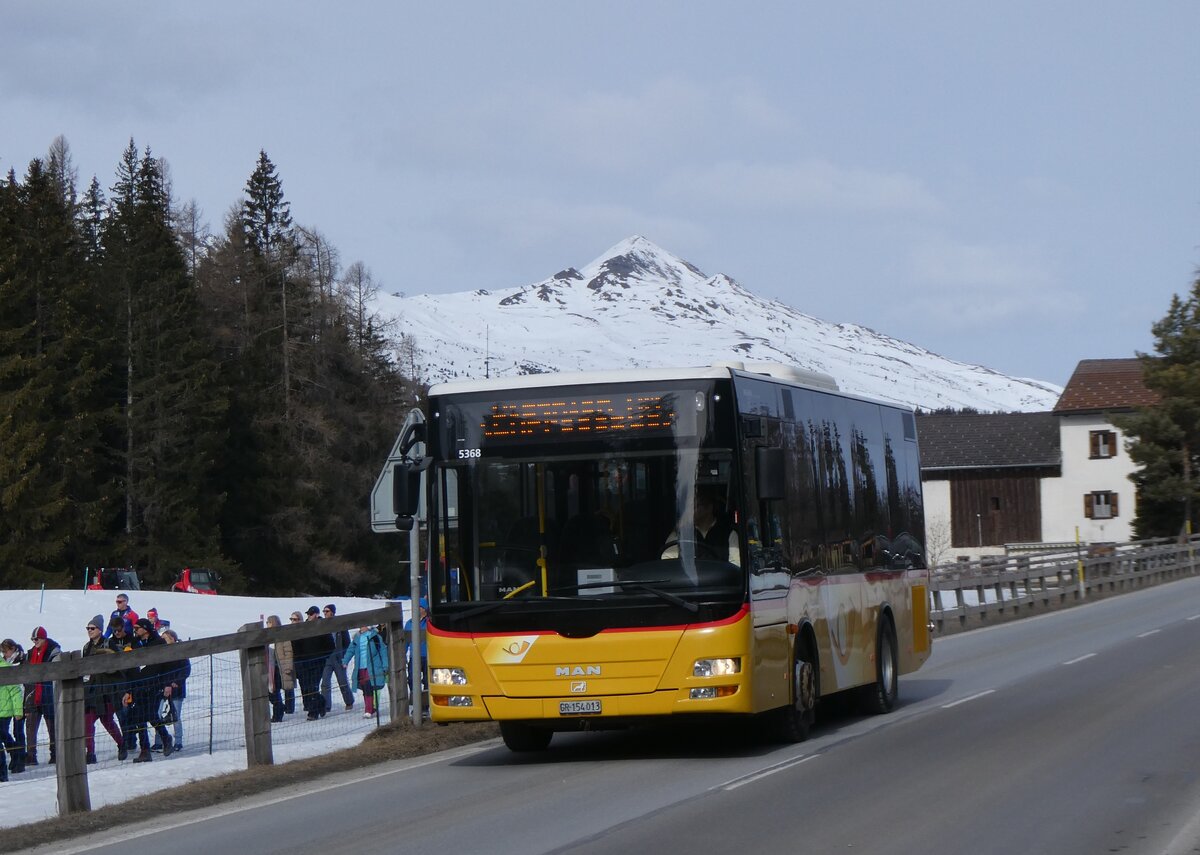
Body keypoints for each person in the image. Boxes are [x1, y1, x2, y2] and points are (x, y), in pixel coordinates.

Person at [124, 619, 174, 761]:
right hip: (139, 685)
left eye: (137, 628)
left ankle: (165, 737)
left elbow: (166, 665)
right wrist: (130, 688)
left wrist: (167, 683)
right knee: (140, 717)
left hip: (154, 684)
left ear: (145, 628)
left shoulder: (158, 643)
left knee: (151, 715)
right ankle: (145, 750)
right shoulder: (135, 642)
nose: (135, 630)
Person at [81, 615, 123, 764]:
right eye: (88, 628)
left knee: (107, 720)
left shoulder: (109, 643)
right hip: (91, 689)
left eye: (92, 628)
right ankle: (90, 753)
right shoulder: (87, 647)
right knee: (87, 721)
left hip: (106, 689)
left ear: (99, 629)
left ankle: (121, 744)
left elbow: (116, 665)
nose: (89, 631)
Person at [24, 626, 61, 766]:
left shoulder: (53, 652)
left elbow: (55, 671)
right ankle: (31, 755)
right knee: (30, 727)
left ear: (43, 638)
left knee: (52, 726)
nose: (34, 641)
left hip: (48, 694)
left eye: (37, 638)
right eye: (33, 639)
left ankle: (55, 753)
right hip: (33, 695)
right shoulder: (30, 654)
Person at [293, 606, 334, 720]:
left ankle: (313, 712)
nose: (309, 616)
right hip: (304, 663)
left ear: (316, 614)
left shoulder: (322, 628)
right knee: (306, 687)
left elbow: (331, 646)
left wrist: (322, 657)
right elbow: (296, 646)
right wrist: (298, 660)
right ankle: (321, 702)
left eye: (311, 614)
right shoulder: (303, 628)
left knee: (312, 687)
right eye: (308, 614)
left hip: (318, 663)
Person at [152, 628, 189, 753]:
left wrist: (176, 682)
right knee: (157, 715)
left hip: (177, 690)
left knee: (176, 716)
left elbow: (185, 670)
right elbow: (159, 671)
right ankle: (159, 741)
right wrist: (164, 684)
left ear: (172, 639)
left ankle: (178, 741)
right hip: (162, 689)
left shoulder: (181, 652)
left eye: (165, 639)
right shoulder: (161, 653)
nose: (163, 641)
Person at [105, 616, 137, 760]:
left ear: (123, 628)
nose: (116, 633)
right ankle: (127, 740)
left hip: (131, 679)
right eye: (114, 630)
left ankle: (132, 739)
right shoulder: (110, 642)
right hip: (118, 681)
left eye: (118, 630)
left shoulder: (132, 639)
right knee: (122, 713)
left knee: (130, 712)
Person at [343, 625, 388, 717]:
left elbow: (383, 651)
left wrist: (385, 665)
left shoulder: (375, 637)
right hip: (360, 667)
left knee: (368, 686)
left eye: (363, 625)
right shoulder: (357, 638)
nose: (361, 627)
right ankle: (370, 707)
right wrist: (345, 661)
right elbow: (350, 650)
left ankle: (368, 710)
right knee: (364, 687)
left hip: (373, 667)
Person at [320, 604, 355, 713]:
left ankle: (349, 701)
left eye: (327, 611)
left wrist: (345, 658)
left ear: (332, 612)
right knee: (325, 682)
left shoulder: (340, 626)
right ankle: (326, 705)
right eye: (324, 611)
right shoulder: (322, 626)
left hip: (339, 657)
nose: (325, 613)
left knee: (342, 681)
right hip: (327, 658)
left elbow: (347, 643)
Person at [0, 639, 24, 776]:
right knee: (4, 736)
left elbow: (15, 691)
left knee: (2, 736)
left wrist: (18, 711)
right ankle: (15, 752)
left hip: (5, 711)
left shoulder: (4, 668)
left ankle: (3, 773)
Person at [403, 598, 428, 705]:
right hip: (414, 657)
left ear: (425, 609)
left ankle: (426, 704)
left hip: (428, 657)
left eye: (420, 607)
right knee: (412, 679)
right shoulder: (409, 623)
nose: (417, 609)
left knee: (428, 681)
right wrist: (402, 655)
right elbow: (405, 642)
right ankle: (417, 702)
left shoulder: (429, 622)